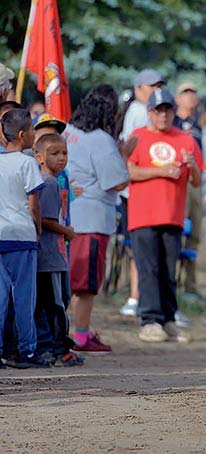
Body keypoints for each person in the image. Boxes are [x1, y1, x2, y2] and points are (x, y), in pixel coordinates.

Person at [127, 88, 204, 343]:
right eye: (158, 110)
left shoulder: (186, 139)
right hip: (143, 214)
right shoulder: (137, 137)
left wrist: (191, 166)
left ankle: (168, 319)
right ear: (150, 112)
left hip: (172, 214)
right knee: (148, 268)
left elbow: (196, 181)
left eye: (168, 110)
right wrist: (161, 172)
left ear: (174, 111)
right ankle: (149, 320)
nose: (163, 115)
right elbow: (130, 172)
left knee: (168, 270)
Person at [64, 85, 134, 352]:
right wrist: (125, 155)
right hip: (92, 219)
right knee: (85, 282)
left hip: (68, 216)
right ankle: (80, 334)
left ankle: (62, 331)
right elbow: (116, 181)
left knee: (66, 279)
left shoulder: (68, 133)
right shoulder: (100, 140)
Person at [0, 108, 49, 368]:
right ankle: (27, 351)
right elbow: (34, 204)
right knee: (23, 297)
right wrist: (38, 228)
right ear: (22, 135)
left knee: (0, 297)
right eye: (32, 129)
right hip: (22, 236)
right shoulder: (27, 162)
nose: (34, 134)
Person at [118, 69, 165, 318]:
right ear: (138, 89)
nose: (155, 90)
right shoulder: (139, 110)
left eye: (159, 85)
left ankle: (140, 295)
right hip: (136, 188)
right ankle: (137, 296)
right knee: (140, 245)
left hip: (143, 187)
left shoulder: (149, 111)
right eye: (151, 86)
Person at [32, 133, 83, 366]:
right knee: (56, 305)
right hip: (50, 255)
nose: (61, 158)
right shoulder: (49, 182)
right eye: (54, 153)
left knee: (43, 304)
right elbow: (45, 219)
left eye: (64, 153)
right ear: (40, 157)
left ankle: (45, 347)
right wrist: (66, 231)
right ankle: (60, 350)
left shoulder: (48, 181)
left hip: (48, 254)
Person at [174, 81, 204, 302]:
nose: (190, 97)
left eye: (193, 93)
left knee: (195, 234)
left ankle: (190, 285)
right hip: (178, 181)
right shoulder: (172, 121)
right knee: (178, 230)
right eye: (186, 92)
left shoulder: (197, 124)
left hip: (196, 181)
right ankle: (173, 282)